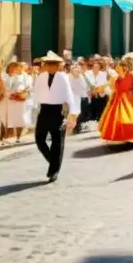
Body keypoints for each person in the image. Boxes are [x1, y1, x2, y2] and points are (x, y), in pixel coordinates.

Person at [32, 52, 79, 182]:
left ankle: (54, 170)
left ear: (58, 66)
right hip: (44, 110)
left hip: (58, 111)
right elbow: (36, 93)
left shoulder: (63, 77)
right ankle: (53, 160)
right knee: (39, 139)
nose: (50, 67)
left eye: (53, 64)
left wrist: (72, 114)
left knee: (57, 142)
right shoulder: (41, 77)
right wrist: (34, 111)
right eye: (48, 64)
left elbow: (69, 96)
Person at [98, 59, 133, 144]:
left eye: (120, 67)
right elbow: (109, 84)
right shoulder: (115, 77)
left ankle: (130, 134)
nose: (118, 68)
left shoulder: (131, 76)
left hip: (129, 98)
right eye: (118, 67)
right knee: (118, 118)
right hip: (118, 99)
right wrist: (102, 88)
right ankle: (120, 135)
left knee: (132, 117)